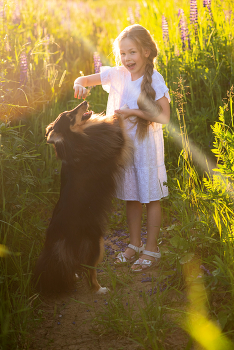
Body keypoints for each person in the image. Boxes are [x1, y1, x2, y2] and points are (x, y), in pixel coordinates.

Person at [73, 24, 170, 272]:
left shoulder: (155, 80)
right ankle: (134, 244)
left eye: (132, 53)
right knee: (132, 195)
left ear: (146, 52)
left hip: (146, 147)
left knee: (151, 196)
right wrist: (80, 83)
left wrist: (133, 112)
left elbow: (164, 117)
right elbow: (84, 79)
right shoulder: (116, 75)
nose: (127, 59)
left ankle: (151, 248)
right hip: (124, 148)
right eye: (123, 53)